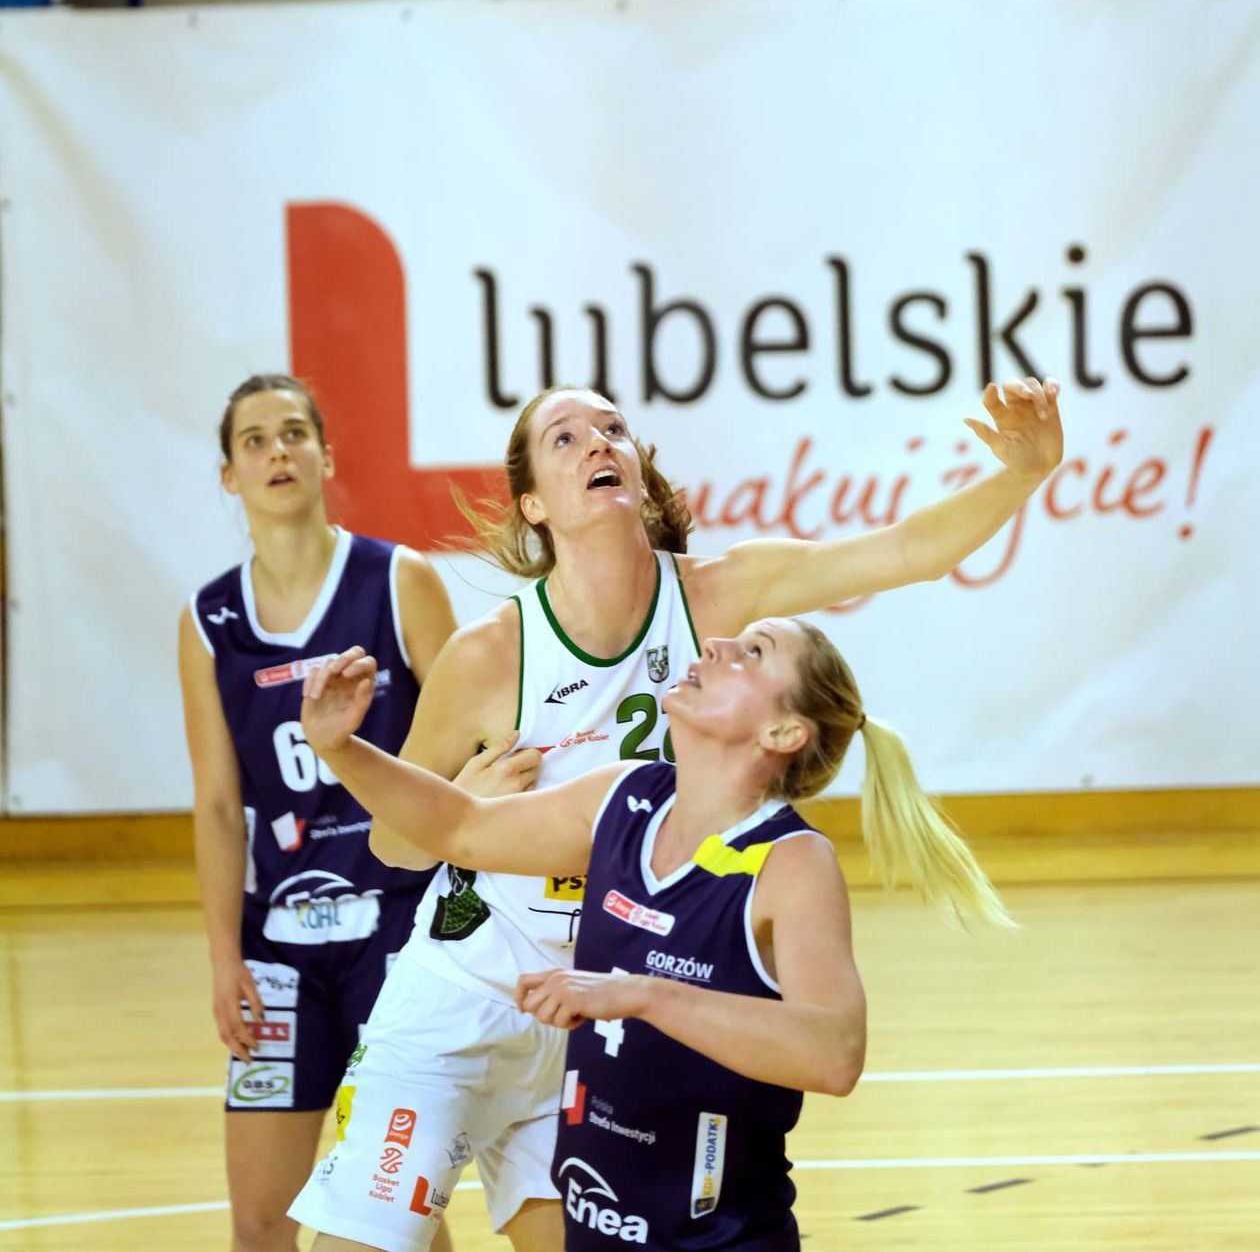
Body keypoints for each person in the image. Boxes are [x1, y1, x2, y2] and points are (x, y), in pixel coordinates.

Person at [289, 378, 1062, 1252]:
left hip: (593, 1009)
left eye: (613, 429)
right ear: (535, 503)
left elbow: (904, 551)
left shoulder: (720, 606)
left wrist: (1023, 474)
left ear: (642, 471)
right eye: (567, 438)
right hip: (464, 990)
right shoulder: (491, 653)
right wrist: (471, 789)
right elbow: (400, 842)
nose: (598, 444)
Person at [299, 612, 1011, 1252]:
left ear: (783, 733)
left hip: (716, 1236)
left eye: (753, 653)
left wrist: (644, 996)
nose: (719, 644)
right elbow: (460, 826)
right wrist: (341, 749)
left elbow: (835, 1054)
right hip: (602, 1216)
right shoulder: (626, 796)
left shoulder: (791, 862)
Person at [179, 373, 473, 1252]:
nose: (278, 451)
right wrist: (224, 954)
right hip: (279, 949)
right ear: (229, 475)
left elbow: (468, 739)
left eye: (294, 433)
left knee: (395, 1211)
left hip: (399, 929)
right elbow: (220, 806)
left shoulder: (398, 580)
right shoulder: (208, 620)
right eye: (255, 440)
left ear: (325, 456)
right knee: (261, 1218)